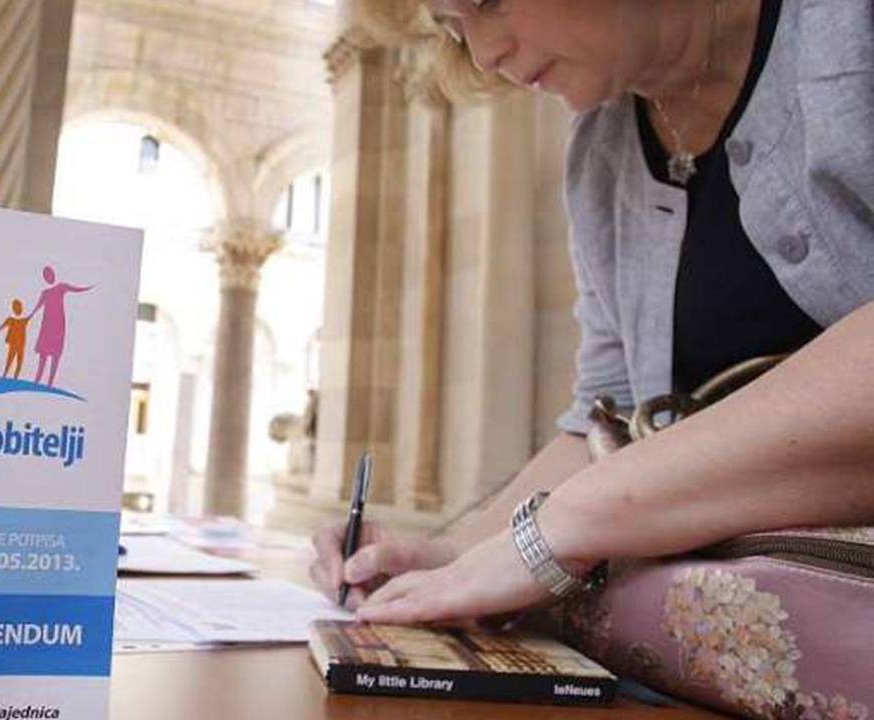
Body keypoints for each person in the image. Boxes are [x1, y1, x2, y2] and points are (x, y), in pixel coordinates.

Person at [312, 0, 873, 628]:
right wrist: (453, 557)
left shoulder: (848, 28)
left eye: (487, 2)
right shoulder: (601, 151)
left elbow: (600, 486)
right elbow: (607, 422)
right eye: (451, 27)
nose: (484, 54)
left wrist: (572, 523)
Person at [31, 265, 93, 387]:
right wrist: (29, 317)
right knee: (43, 355)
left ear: (53, 274)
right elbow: (37, 307)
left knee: (55, 355)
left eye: (49, 274)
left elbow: (76, 289)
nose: (48, 277)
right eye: (46, 276)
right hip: (47, 325)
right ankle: (37, 381)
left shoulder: (61, 287)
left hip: (58, 325)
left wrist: (89, 287)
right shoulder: (45, 293)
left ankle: (50, 383)